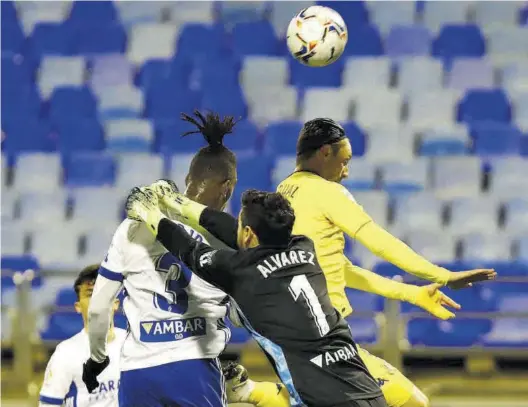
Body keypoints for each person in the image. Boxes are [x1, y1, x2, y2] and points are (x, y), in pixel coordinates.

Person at [273, 118, 498, 407]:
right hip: (323, 335)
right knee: (411, 401)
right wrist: (442, 275)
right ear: (325, 152)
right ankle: (250, 391)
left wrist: (411, 293)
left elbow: (341, 271)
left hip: (293, 331)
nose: (346, 171)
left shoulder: (284, 190)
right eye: (344, 161)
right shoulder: (327, 192)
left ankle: (251, 391)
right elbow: (378, 240)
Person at [125, 186, 406, 407]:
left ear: (249, 234)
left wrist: (150, 212)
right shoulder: (304, 247)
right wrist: (177, 202)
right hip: (366, 391)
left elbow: (188, 248)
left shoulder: (238, 270)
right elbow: (236, 233)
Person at [39, 265, 126, 407]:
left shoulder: (133, 344)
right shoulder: (66, 353)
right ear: (78, 306)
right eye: (90, 294)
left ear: (116, 304)